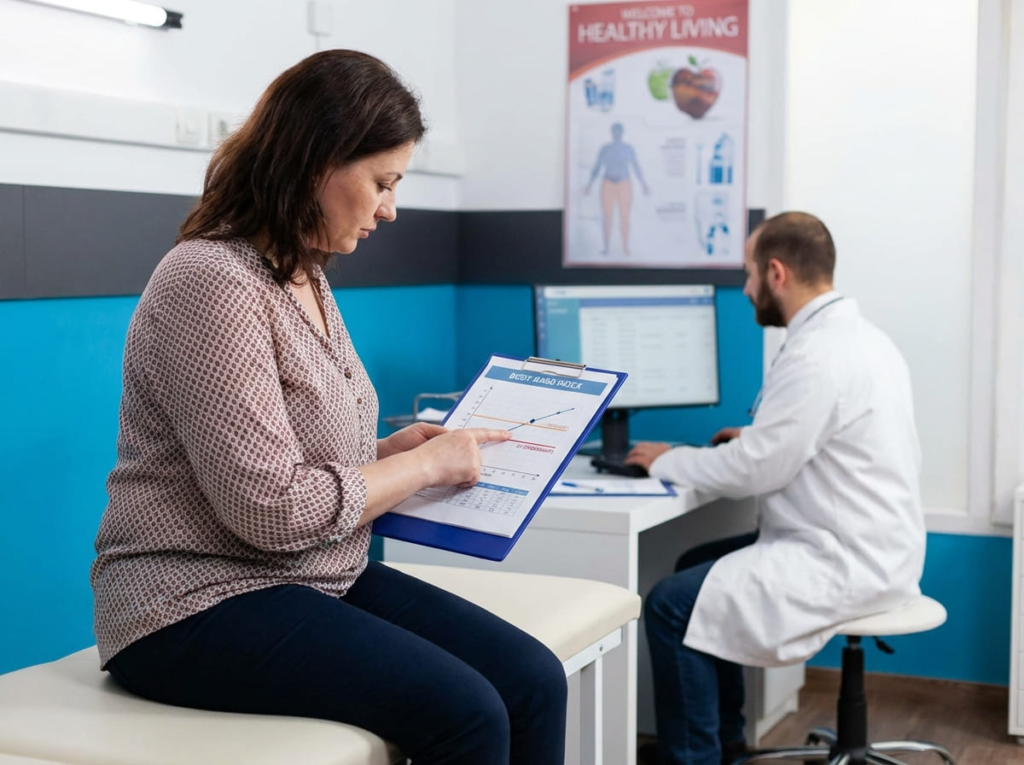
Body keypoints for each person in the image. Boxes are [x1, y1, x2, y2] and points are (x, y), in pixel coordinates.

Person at [90, 50, 567, 765]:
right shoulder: (210, 280)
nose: (390, 208)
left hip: (308, 577)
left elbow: (285, 459)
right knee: (466, 713)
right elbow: (269, 507)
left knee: (533, 680)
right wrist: (426, 465)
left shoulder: (301, 272)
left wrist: (389, 454)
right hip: (187, 602)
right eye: (381, 182)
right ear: (318, 162)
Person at [626, 212, 926, 765]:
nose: (745, 289)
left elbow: (756, 471)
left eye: (748, 274)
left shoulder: (819, 355)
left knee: (671, 605)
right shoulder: (861, 338)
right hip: (873, 545)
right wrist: (756, 435)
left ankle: (695, 757)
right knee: (697, 564)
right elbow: (822, 433)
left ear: (777, 273)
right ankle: (728, 744)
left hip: (843, 559)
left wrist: (669, 460)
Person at [584, 122, 650, 255]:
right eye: (615, 131)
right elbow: (597, 166)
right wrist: (590, 184)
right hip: (608, 183)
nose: (617, 134)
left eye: (619, 131)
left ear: (622, 133)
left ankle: (626, 247)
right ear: (612, 133)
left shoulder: (628, 148)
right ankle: (606, 247)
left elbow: (636, 166)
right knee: (607, 217)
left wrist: (643, 184)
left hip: (624, 183)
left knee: (624, 217)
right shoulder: (605, 148)